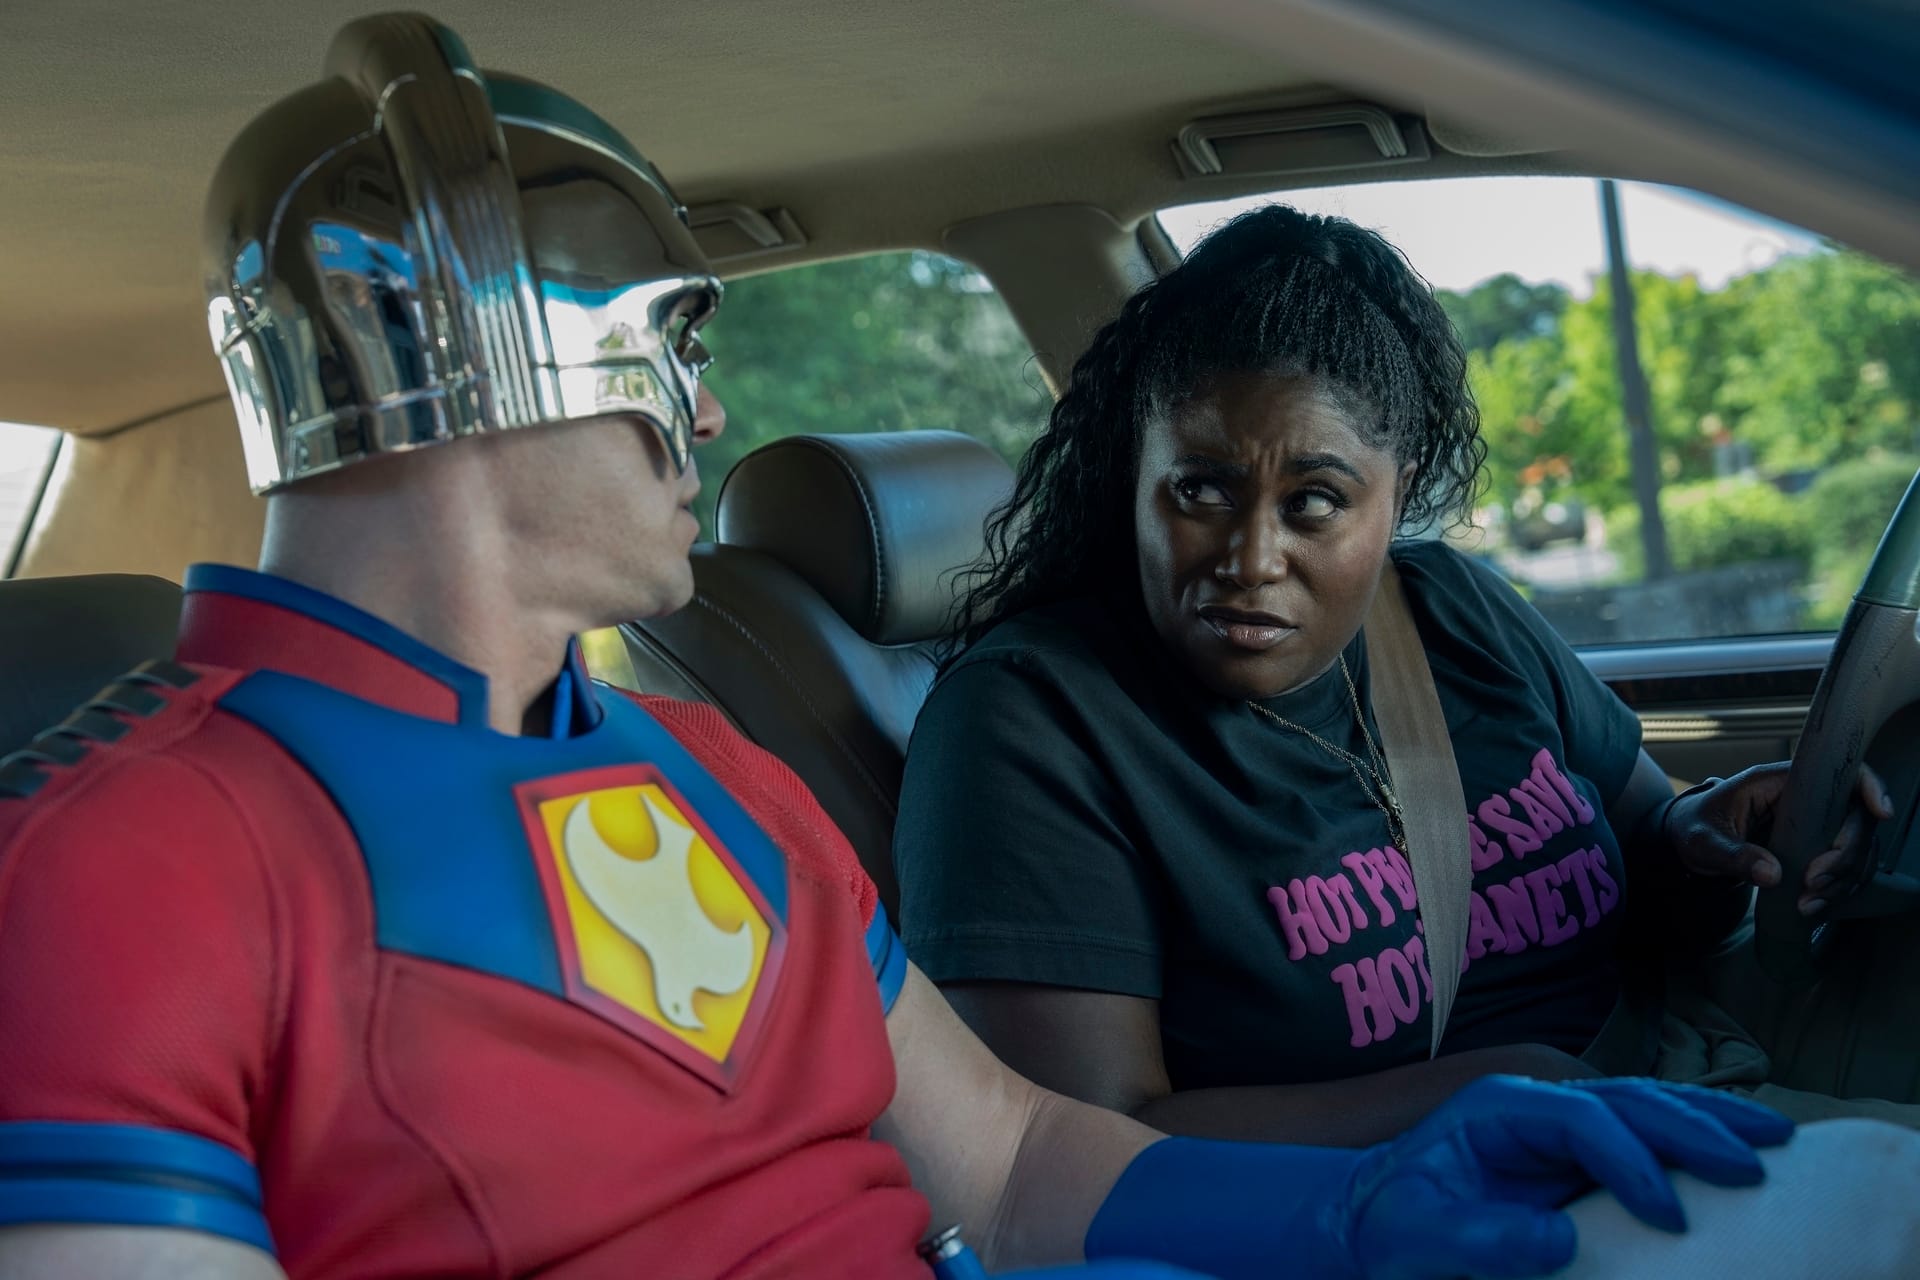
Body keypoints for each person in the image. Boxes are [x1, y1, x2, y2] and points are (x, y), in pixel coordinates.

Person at [0, 17, 1812, 1280]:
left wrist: (1357, 1208)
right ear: (487, 363)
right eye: (673, 344)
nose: (711, 413)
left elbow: (1014, 1164)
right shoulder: (121, 867)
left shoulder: (711, 774)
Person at [893, 204, 1911, 1147]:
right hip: (1395, 1209)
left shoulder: (1452, 609)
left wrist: (1711, 835)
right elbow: (1069, 1149)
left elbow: (1648, 838)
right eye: (1200, 489)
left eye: (1314, 501)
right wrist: (1492, 1091)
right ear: (1135, 475)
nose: (1250, 557)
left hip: (1680, 1086)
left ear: (1397, 495)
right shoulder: (1032, 722)